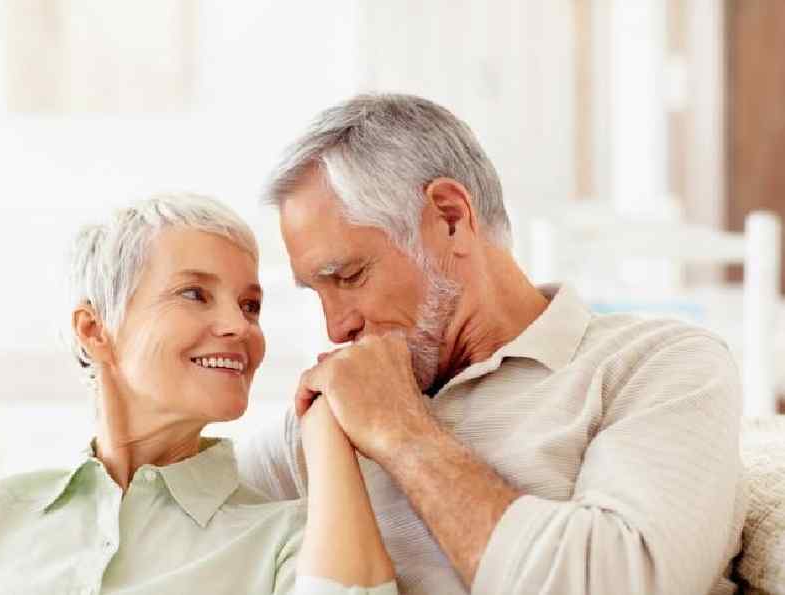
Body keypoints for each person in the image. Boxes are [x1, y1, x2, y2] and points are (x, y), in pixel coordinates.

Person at [239, 94, 747, 595]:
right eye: (317, 292)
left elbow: (618, 585)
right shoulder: (341, 401)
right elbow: (195, 515)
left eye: (349, 276)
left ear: (450, 218)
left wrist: (402, 432)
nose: (336, 328)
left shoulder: (658, 366)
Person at [0, 194, 397, 595]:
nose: (239, 325)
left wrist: (324, 420)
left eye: (250, 305)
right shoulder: (2, 512)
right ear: (95, 331)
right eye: (194, 294)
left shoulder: (291, 540)